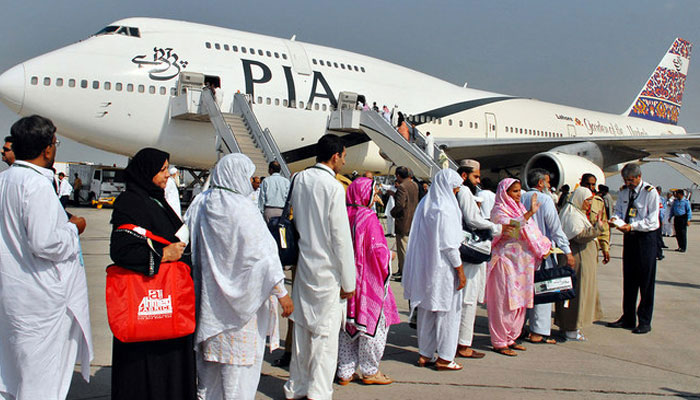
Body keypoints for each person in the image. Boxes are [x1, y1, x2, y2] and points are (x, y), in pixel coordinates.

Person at [185, 154, 293, 400]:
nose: (253, 181)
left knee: (209, 376)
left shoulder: (201, 203)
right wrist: (283, 294)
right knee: (237, 378)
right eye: (249, 176)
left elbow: (183, 239)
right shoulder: (244, 210)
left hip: (210, 308)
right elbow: (264, 257)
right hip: (242, 314)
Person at [0, 115, 92, 400]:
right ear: (48, 148)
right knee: (42, 382)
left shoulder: (5, 179)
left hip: (16, 293)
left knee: (15, 374)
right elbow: (45, 243)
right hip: (41, 300)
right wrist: (73, 227)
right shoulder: (36, 184)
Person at [109, 148, 196, 399]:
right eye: (161, 170)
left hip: (167, 301)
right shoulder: (130, 203)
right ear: (146, 172)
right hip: (148, 304)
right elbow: (121, 249)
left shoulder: (155, 199)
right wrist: (162, 255)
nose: (167, 175)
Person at [283, 134, 356, 400]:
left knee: (302, 331)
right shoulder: (334, 187)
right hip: (327, 271)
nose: (344, 161)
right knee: (325, 339)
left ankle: (297, 387)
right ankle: (318, 391)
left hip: (304, 265)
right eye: (344, 156)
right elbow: (341, 238)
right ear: (335, 156)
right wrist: (349, 281)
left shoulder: (299, 179)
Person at [337, 177, 401, 385]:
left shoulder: (343, 215)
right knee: (373, 325)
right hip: (368, 281)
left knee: (347, 326)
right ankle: (370, 370)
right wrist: (389, 256)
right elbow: (376, 251)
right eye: (373, 194)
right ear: (364, 194)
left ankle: (345, 371)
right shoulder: (368, 218)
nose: (375, 198)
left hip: (346, 281)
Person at [402, 169, 467, 371]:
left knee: (427, 311)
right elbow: (449, 245)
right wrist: (460, 270)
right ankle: (445, 358)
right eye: (455, 189)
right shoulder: (445, 208)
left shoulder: (427, 204)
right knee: (447, 313)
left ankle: (425, 354)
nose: (456, 193)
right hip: (443, 269)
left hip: (425, 267)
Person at [486, 178, 550, 356]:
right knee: (504, 303)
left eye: (519, 191)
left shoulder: (519, 208)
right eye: (514, 191)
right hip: (506, 262)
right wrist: (529, 213)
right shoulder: (499, 210)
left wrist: (543, 246)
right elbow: (510, 229)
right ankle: (500, 341)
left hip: (522, 265)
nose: (518, 195)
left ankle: (511, 337)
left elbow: (533, 232)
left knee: (520, 302)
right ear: (504, 193)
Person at [455, 160, 508, 359]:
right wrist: (496, 228)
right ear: (464, 175)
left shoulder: (462, 192)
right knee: (468, 300)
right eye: (475, 176)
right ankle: (463, 345)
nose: (478, 181)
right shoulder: (464, 192)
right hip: (471, 251)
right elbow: (472, 220)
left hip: (467, 250)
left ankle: (459, 342)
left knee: (467, 298)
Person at [521, 169, 575, 344]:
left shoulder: (520, 197)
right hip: (541, 254)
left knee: (522, 293)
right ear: (540, 184)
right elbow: (555, 229)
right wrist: (567, 251)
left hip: (522, 254)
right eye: (548, 182)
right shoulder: (545, 200)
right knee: (543, 294)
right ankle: (538, 332)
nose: (550, 186)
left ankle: (518, 328)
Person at [607, 163, 659, 334]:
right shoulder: (623, 191)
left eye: (631, 180)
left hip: (645, 238)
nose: (629, 183)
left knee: (646, 281)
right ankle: (628, 317)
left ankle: (644, 320)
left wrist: (632, 226)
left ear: (639, 176)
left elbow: (652, 220)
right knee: (629, 280)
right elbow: (620, 211)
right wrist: (615, 220)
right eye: (626, 180)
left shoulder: (650, 192)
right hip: (629, 238)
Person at [555, 187, 605, 341]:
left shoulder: (575, 212)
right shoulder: (571, 215)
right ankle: (571, 328)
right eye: (587, 200)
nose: (589, 204)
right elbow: (580, 236)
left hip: (581, 259)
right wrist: (598, 228)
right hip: (577, 260)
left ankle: (571, 326)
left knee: (577, 294)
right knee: (575, 295)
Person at [390, 166, 419, 280]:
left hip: (403, 221)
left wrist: (393, 213)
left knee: (403, 249)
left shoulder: (402, 187)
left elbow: (400, 205)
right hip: (412, 220)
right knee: (408, 248)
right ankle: (403, 270)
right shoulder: (414, 185)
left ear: (398, 175)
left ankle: (404, 273)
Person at [580, 174, 611, 264]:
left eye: (593, 184)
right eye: (587, 184)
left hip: (591, 243)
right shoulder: (573, 199)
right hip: (575, 243)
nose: (590, 187)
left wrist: (605, 248)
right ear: (581, 183)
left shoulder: (598, 202)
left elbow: (604, 227)